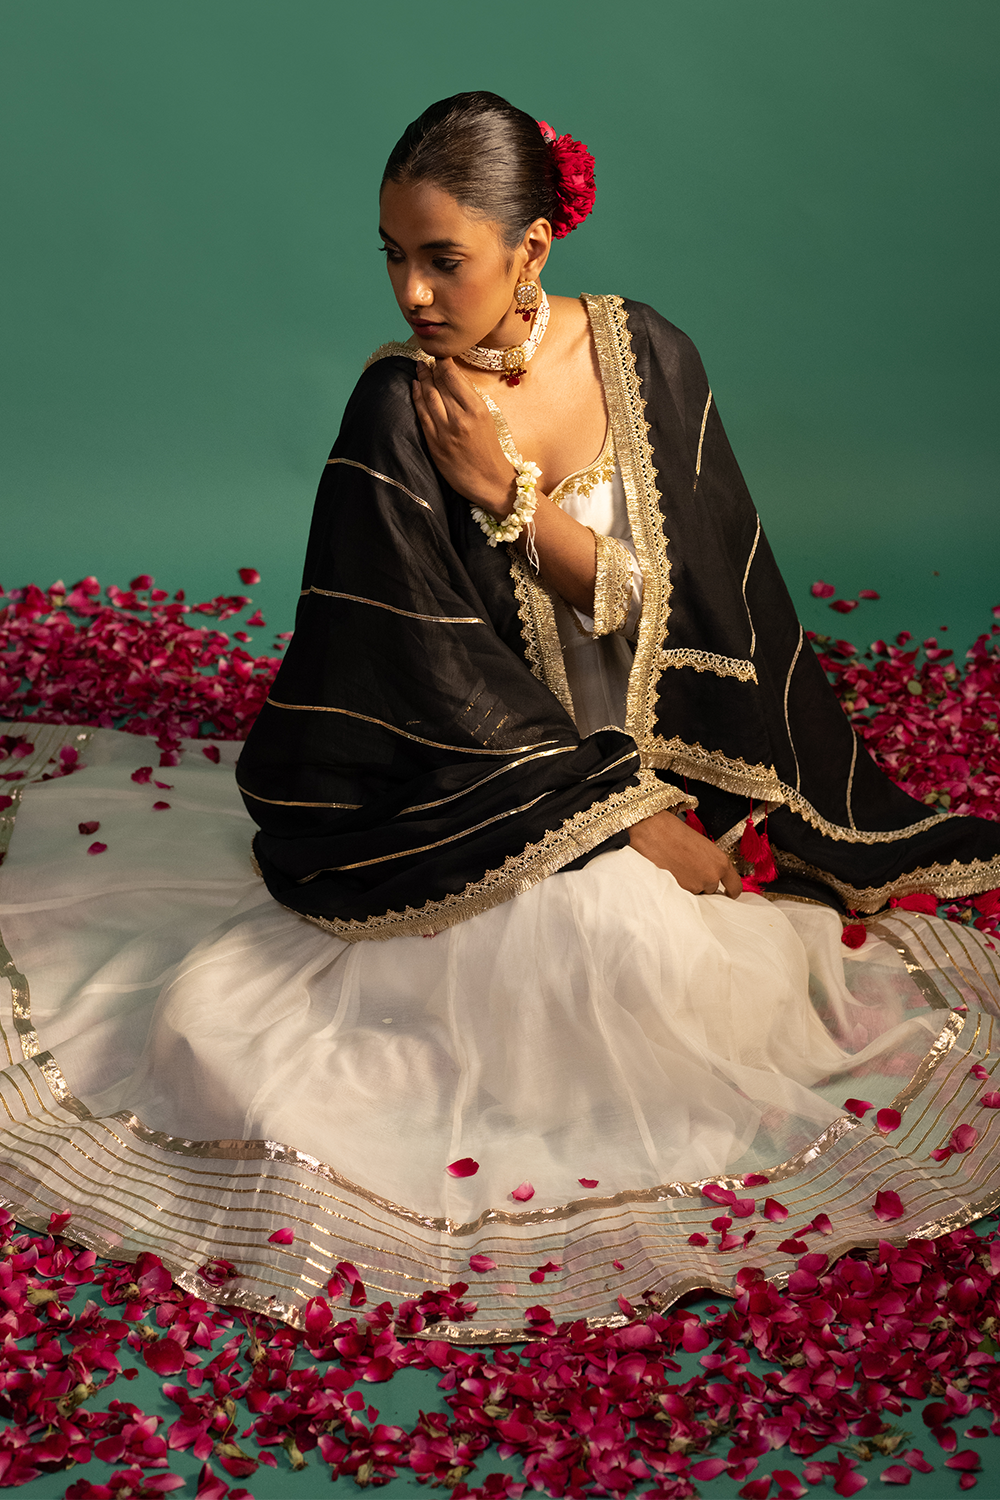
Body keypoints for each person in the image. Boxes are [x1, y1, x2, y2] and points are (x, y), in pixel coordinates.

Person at [1, 93, 998, 1339]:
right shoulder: (398, 407)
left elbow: (686, 603)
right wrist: (622, 824)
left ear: (532, 246)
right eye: (391, 256)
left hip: (658, 757)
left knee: (717, 989)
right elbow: (425, 674)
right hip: (478, 789)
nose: (412, 293)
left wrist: (509, 501)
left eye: (443, 258)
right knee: (596, 949)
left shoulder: (649, 357)